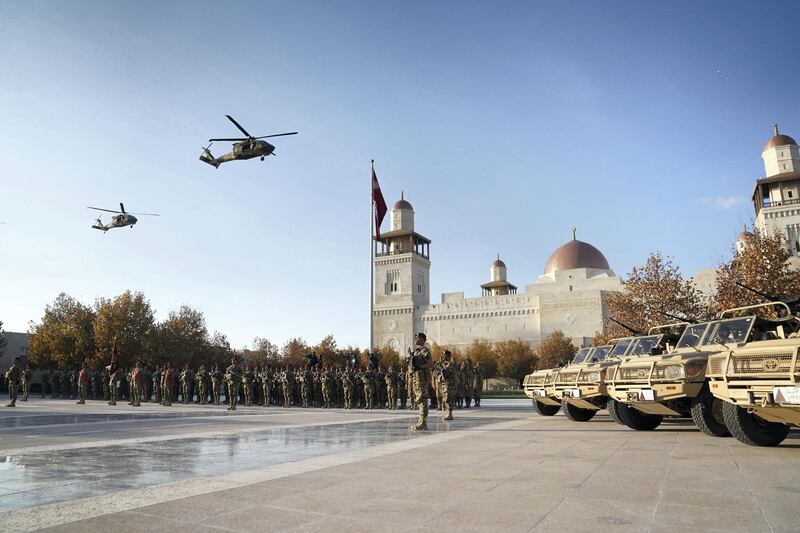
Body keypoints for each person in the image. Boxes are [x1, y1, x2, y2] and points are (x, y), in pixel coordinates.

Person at [409, 333, 434, 431]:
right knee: (419, 400)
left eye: (417, 337)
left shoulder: (424, 351)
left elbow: (431, 365)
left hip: (422, 379)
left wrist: (420, 367)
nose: (415, 338)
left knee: (423, 399)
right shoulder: (416, 352)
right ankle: (421, 420)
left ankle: (423, 422)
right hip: (417, 379)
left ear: (423, 339)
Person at [439, 351, 458, 421]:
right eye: (443, 355)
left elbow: (447, 373)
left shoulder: (450, 365)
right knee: (446, 399)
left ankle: (450, 414)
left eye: (444, 355)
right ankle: (448, 413)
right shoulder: (444, 364)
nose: (443, 357)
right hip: (445, 384)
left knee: (448, 399)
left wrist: (442, 370)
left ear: (448, 356)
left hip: (450, 385)